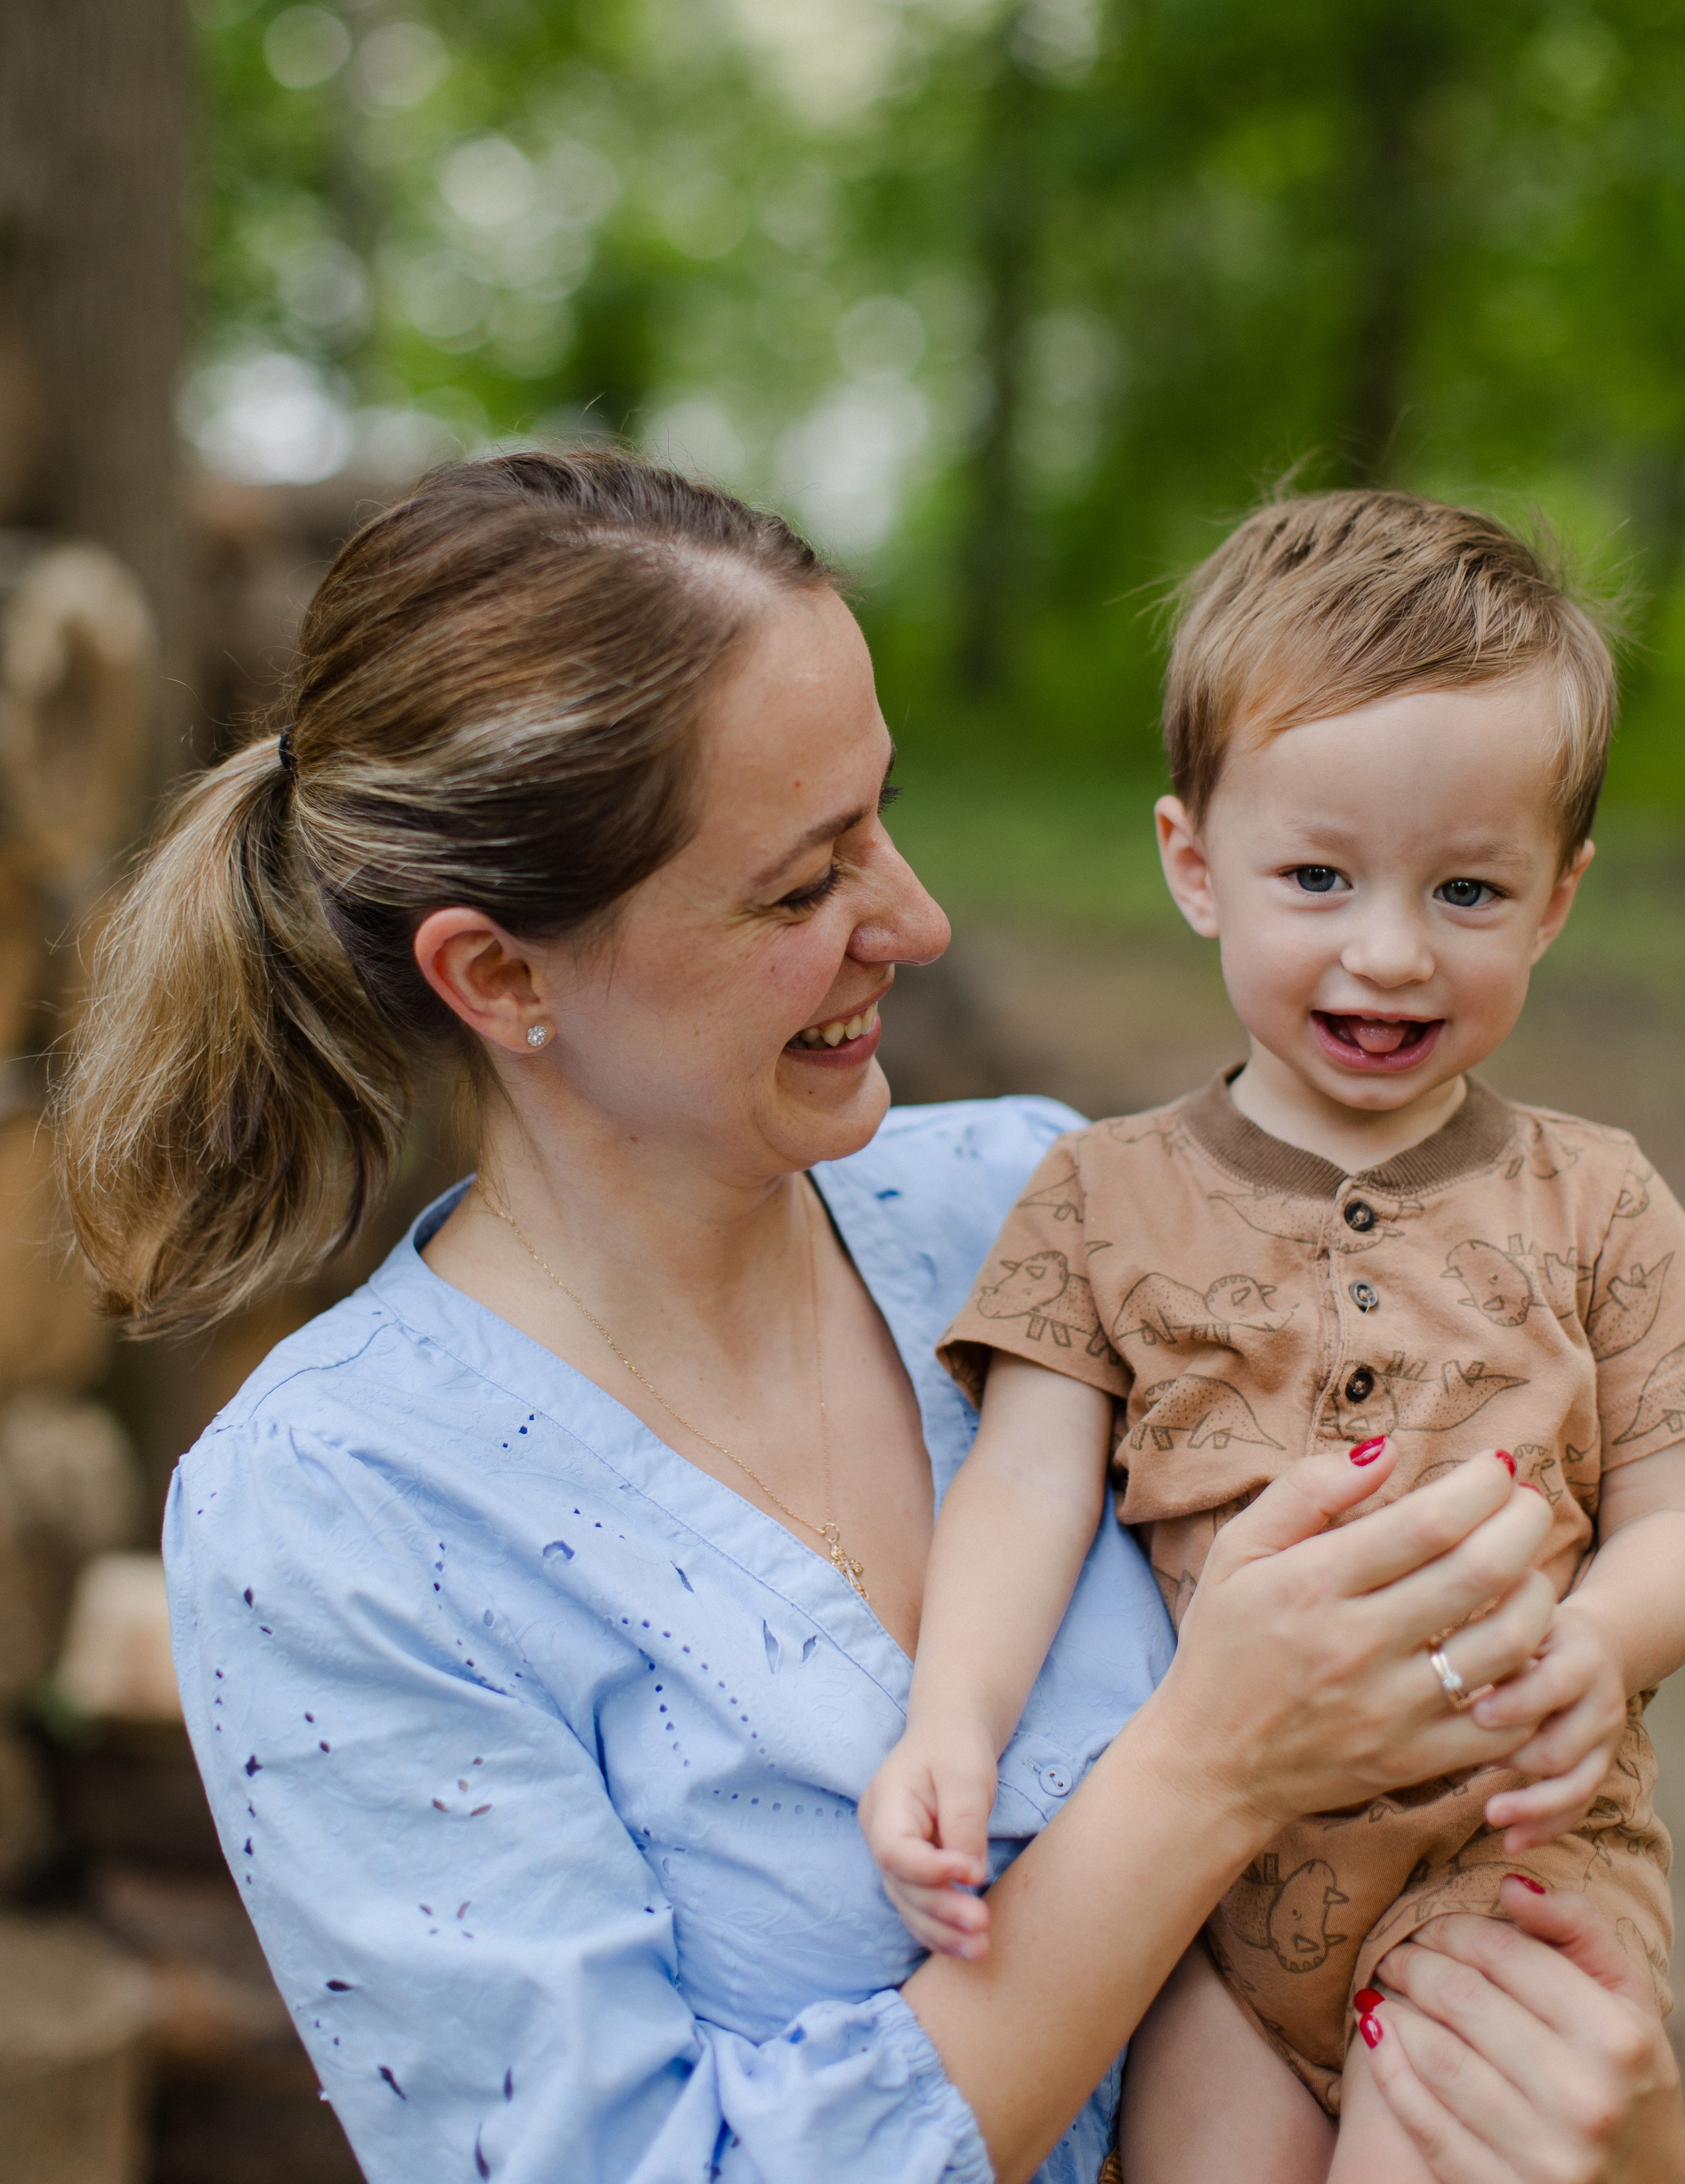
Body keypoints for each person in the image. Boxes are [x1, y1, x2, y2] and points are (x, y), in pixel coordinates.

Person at [57, 454, 1684, 2184]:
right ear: (502, 978)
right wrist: (1205, 1769)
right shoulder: (336, 1512)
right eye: (801, 884)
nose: (916, 918)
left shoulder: (1031, 1198)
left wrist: (1607, 2104)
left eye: (885, 818)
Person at [860, 490, 1685, 2182]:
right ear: (1191, 864)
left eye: (1466, 890)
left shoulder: (1600, 1203)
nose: (1385, 951)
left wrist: (1598, 1647)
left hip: (1506, 1872)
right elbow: (1022, 1493)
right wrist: (950, 1719)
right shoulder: (1095, 1197)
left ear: (1552, 899)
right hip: (1214, 1896)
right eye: (1315, 876)